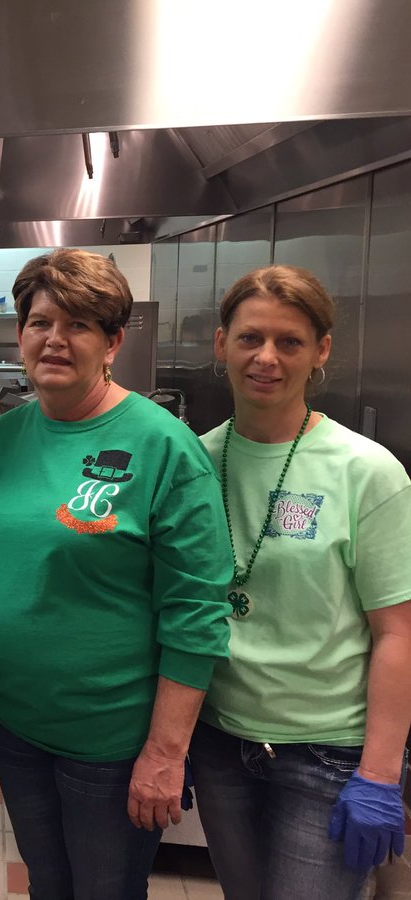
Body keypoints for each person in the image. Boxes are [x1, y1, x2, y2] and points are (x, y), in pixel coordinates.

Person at [0, 248, 233, 900]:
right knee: (48, 886)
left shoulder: (163, 445)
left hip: (110, 740)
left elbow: (196, 610)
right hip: (11, 722)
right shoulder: (3, 436)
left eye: (79, 324)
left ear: (112, 341)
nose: (54, 339)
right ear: (20, 332)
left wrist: (166, 754)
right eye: (39, 322)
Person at [188, 265, 411, 899]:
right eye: (250, 338)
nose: (266, 358)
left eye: (289, 342)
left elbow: (398, 633)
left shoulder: (367, 472)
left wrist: (380, 775)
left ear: (321, 352)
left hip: (327, 756)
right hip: (221, 742)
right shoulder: (195, 463)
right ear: (221, 343)